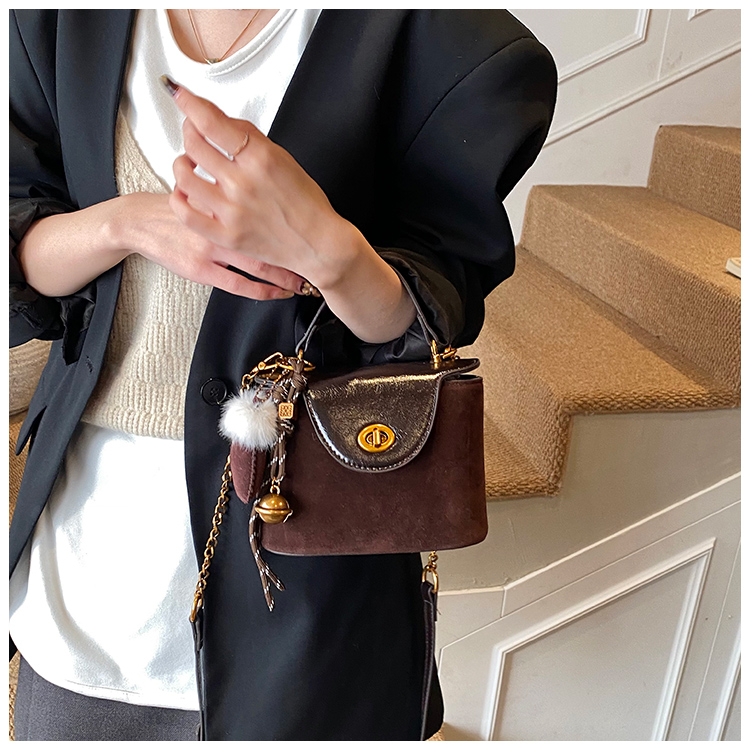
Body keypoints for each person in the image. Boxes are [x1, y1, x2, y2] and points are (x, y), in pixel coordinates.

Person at [8, 9, 558, 742]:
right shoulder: (52, 19)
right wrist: (126, 223)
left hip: (309, 576)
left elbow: (434, 311)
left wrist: (330, 251)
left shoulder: (455, 41)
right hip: (88, 570)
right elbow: (19, 229)